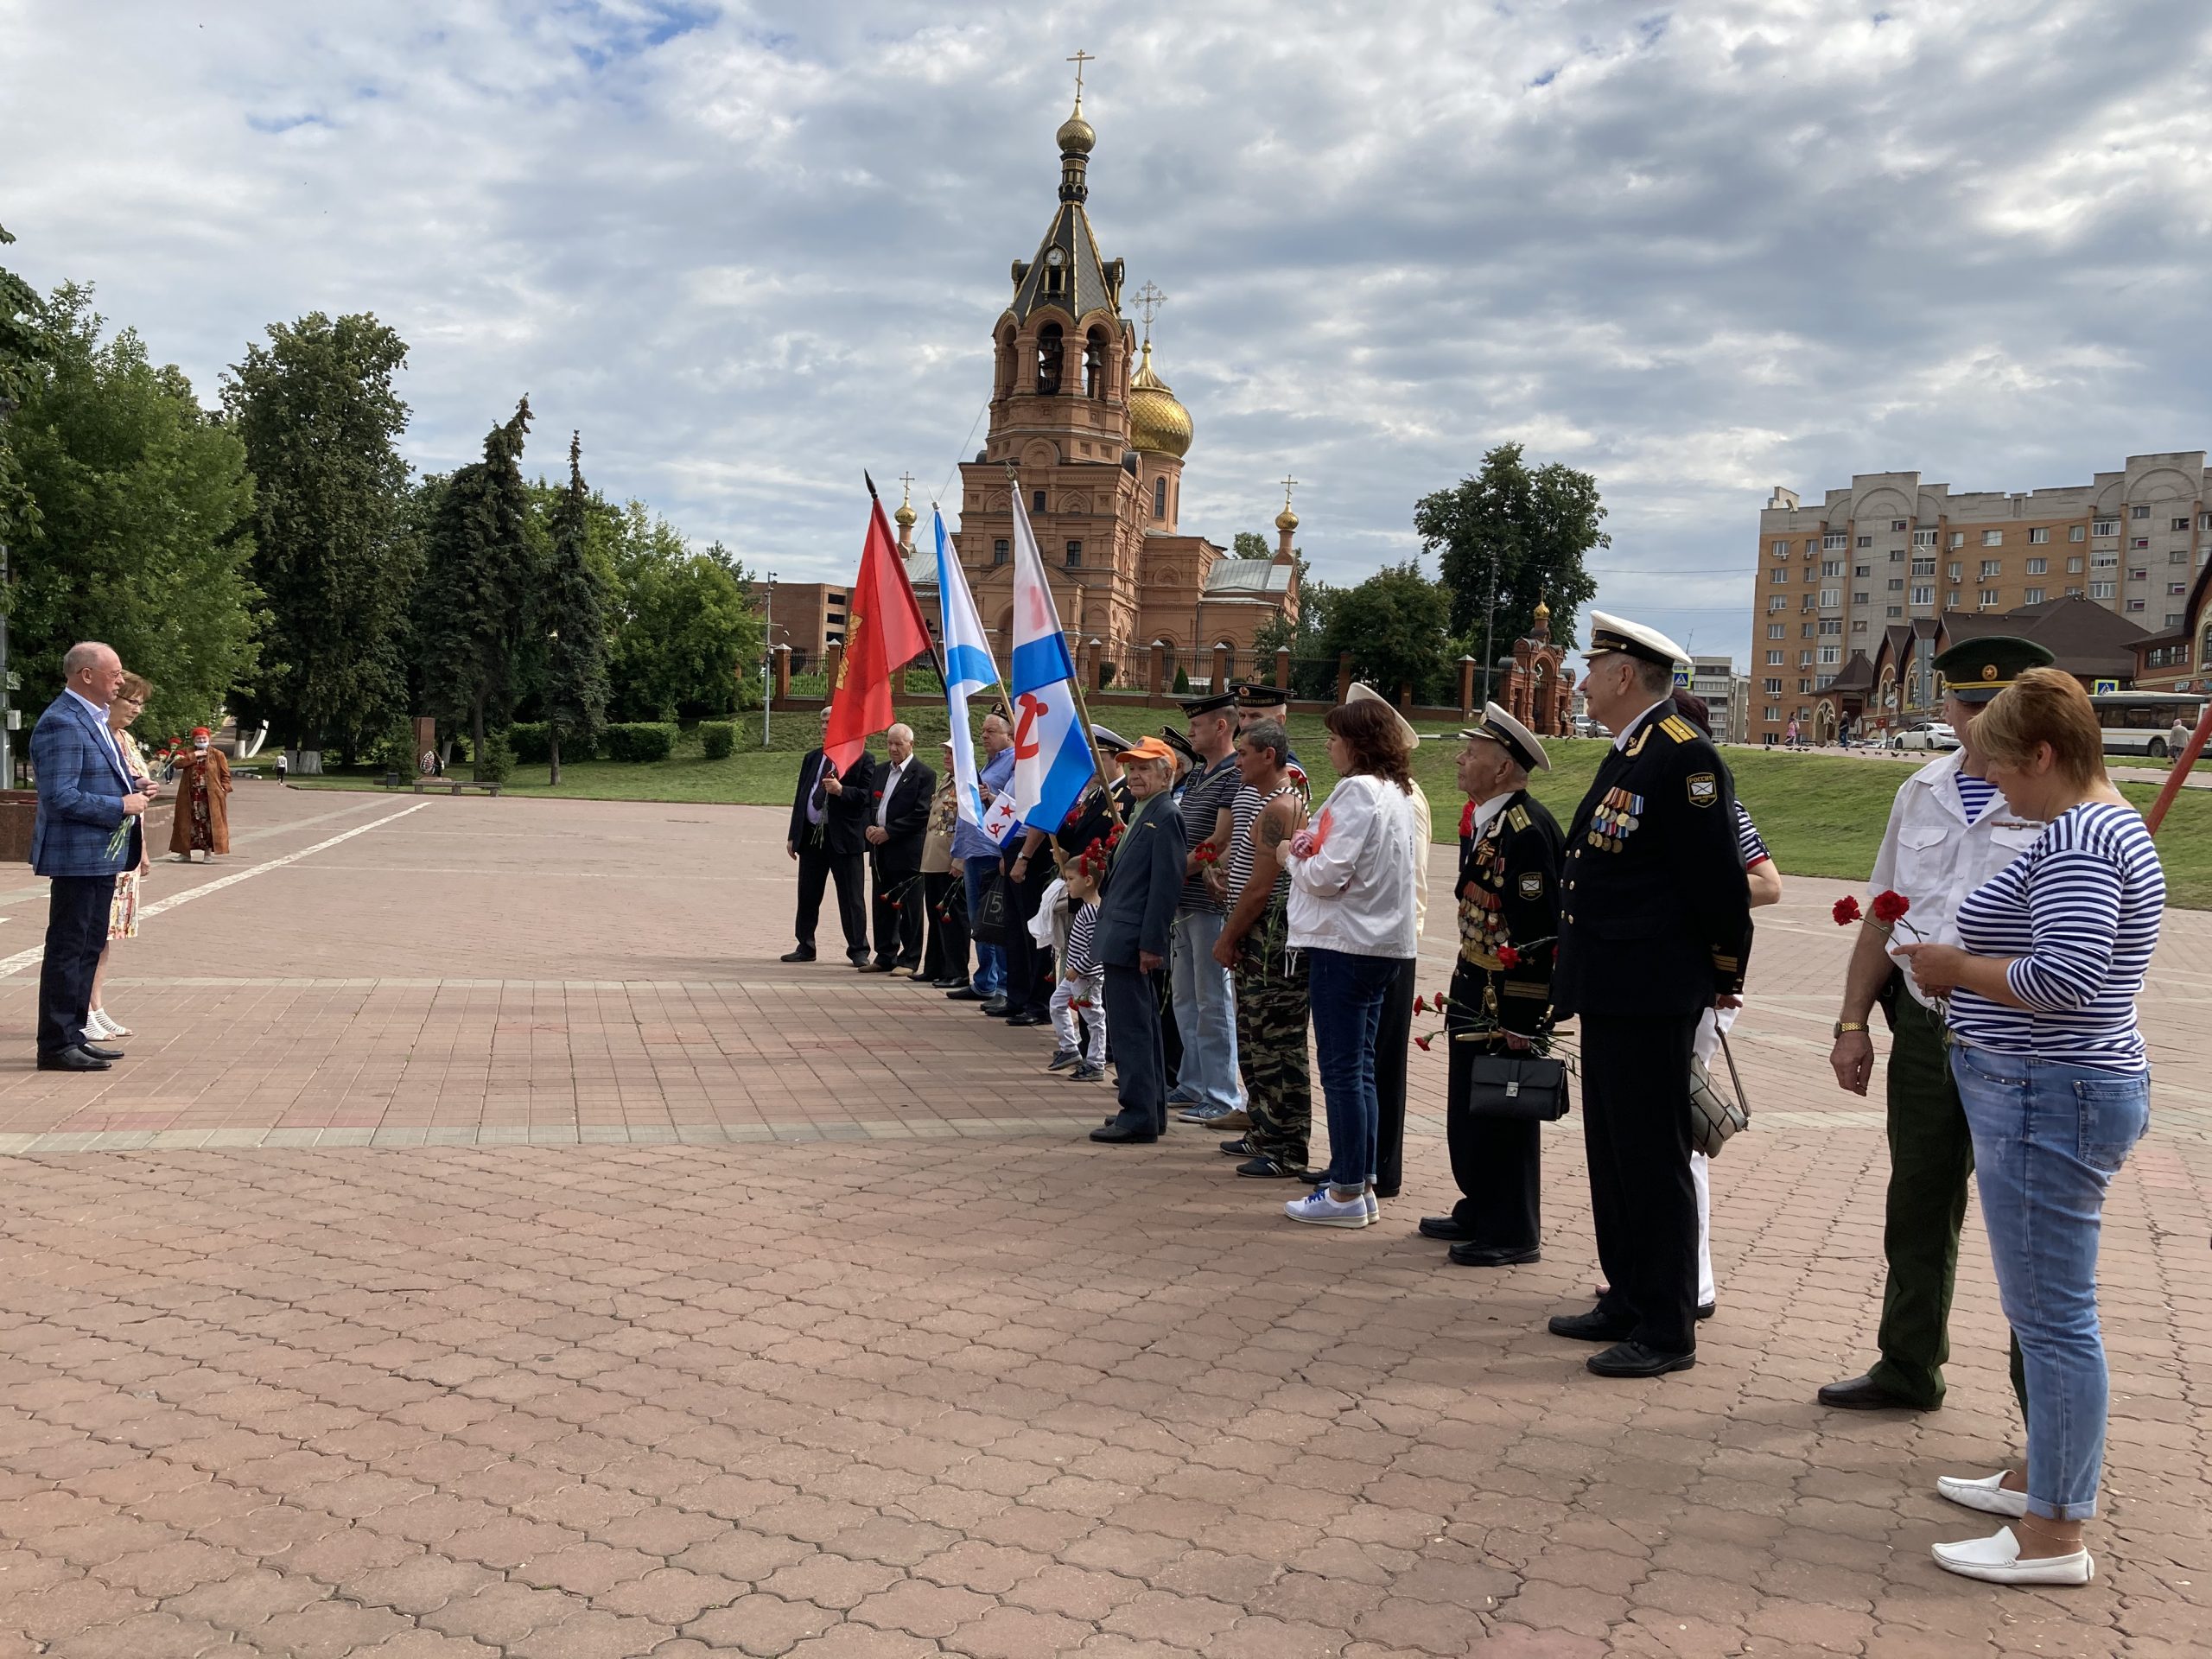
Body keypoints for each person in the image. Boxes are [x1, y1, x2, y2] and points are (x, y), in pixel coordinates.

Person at [1893, 668, 2163, 1586]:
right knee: (2047, 1312)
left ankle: (2054, 1534)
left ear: (2044, 755)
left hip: (2049, 1090)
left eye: (2002, 769)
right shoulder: (2096, 823)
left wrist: (1956, 968)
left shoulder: (2084, 838)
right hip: (2047, 1086)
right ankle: (2042, 1479)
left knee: (2052, 1320)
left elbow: (2066, 979)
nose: (1995, 786)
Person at [1819, 636, 2053, 1414]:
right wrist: (1853, 1022)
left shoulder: (2059, 804)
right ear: (1945, 707)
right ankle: (1908, 1364)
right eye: (1968, 705)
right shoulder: (1920, 789)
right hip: (1925, 1033)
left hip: (2017, 1042)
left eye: (1998, 707)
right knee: (1917, 1199)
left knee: (2027, 1230)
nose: (1980, 723)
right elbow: (1884, 912)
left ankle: (2040, 1418)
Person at [1547, 613, 1751, 1378]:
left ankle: (1667, 1327)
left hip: (1654, 989)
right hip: (1612, 985)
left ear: (1625, 674)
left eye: (1592, 666)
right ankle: (1628, 1293)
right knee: (1613, 1151)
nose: (1582, 680)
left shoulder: (1682, 759)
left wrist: (1722, 976)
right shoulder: (1629, 753)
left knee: (1653, 1157)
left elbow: (1717, 885)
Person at [1417, 702, 1562, 1266]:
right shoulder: (1489, 821)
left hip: (1506, 1000)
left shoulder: (1526, 832)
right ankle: (1480, 1204)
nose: (1461, 759)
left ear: (1502, 769)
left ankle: (1512, 1229)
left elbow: (1539, 936)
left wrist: (1524, 1022)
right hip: (1475, 986)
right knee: (1470, 1106)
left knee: (1505, 1111)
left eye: (1472, 753)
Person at [1275, 696, 1421, 1227]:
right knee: (1359, 1069)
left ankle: (1343, 1191)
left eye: (1335, 739)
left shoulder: (1358, 791)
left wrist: (1292, 853)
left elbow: (1326, 873)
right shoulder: (1398, 792)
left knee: (1342, 1071)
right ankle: (1361, 1182)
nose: (1329, 746)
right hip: (1381, 945)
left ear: (1359, 745)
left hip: (1347, 944)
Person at [29, 642, 152, 1073]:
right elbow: (59, 795)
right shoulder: (63, 721)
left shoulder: (95, 719)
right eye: (114, 674)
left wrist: (133, 785)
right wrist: (121, 806)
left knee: (88, 947)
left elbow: (91, 779)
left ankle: (74, 1035)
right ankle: (57, 1043)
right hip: (76, 853)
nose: (120, 681)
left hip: (101, 853)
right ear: (86, 675)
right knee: (69, 947)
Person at [1213, 719, 1313, 1178]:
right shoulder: (1270, 804)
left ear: (1268, 756)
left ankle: (1287, 1143)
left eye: (1244, 753)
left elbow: (1260, 888)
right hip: (1257, 935)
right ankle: (1264, 1128)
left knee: (1276, 1040)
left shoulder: (1282, 808)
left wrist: (1228, 936)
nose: (1237, 762)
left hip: (1269, 938)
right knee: (1252, 1036)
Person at [1344, 684, 1430, 1200]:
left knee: (1380, 1060)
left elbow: (1409, 876)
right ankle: (1362, 1159)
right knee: (1364, 1059)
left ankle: (1382, 1165)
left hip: (1393, 943)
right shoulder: (1377, 791)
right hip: (1377, 940)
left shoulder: (1406, 796)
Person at [1090, 737, 1188, 1145]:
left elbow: (1166, 887)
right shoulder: (1144, 810)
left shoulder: (1165, 814)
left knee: (1133, 1029)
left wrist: (1152, 944)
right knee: (1136, 1026)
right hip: (1122, 934)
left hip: (1133, 940)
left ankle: (1139, 1114)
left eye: (1145, 768)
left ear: (1167, 775)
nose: (1134, 775)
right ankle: (1147, 1111)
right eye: (1131, 768)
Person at [1167, 691, 1243, 1126]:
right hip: (1184, 899)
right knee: (1186, 997)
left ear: (1221, 727)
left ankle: (1221, 1091)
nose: (1191, 732)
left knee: (1213, 1000)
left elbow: (1219, 840)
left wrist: (1176, 870)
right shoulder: (1197, 777)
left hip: (1208, 899)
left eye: (1197, 725)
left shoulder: (1233, 774)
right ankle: (1194, 1082)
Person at [88, 673, 157, 1043]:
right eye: (129, 699)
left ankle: (96, 1005)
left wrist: (144, 787)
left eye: (140, 703)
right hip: (101, 849)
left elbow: (131, 791)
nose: (135, 708)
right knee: (92, 933)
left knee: (108, 932)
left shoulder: (125, 740)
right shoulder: (96, 735)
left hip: (125, 845)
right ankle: (84, 1008)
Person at [785, 706, 874, 965]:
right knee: (808, 893)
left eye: (830, 722)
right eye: (823, 722)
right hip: (813, 837)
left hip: (844, 839)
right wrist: (794, 834)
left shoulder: (861, 759)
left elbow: (866, 797)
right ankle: (805, 945)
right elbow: (802, 796)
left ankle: (858, 949)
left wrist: (841, 791)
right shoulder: (813, 758)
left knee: (851, 897)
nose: (825, 726)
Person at [949, 709, 1014, 1005]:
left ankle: (1003, 985)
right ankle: (984, 980)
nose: (984, 736)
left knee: (995, 921)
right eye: (983, 731)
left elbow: (1015, 804)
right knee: (979, 922)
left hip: (992, 851)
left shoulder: (1014, 762)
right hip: (974, 850)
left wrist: (992, 797)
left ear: (1008, 734)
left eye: (991, 731)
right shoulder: (988, 765)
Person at [861, 724, 933, 974]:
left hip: (907, 851)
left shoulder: (923, 774)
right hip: (880, 850)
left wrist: (890, 831)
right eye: (890, 743)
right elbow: (870, 804)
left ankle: (910, 958)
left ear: (911, 744)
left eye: (898, 744)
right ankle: (885, 955)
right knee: (882, 904)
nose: (893, 748)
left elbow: (921, 813)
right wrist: (869, 828)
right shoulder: (880, 771)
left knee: (910, 907)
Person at [1046, 857, 1108, 1084]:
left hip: (1086, 976)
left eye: (1071, 879)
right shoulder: (1085, 908)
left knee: (1094, 1018)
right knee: (1056, 1003)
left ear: (1089, 880)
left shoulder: (1093, 911)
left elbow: (1095, 948)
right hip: (1074, 974)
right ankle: (1070, 1048)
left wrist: (1078, 968)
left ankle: (1096, 1062)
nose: (1067, 885)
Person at [918, 740, 970, 990]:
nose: (946, 756)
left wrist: (960, 860)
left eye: (952, 752)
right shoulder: (947, 780)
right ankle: (935, 967)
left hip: (951, 860)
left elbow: (967, 824)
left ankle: (957, 971)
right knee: (936, 915)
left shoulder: (965, 783)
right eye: (946, 752)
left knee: (953, 919)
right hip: (934, 858)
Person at [168, 726, 232, 861]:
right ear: (194, 739)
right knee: (186, 823)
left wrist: (224, 790)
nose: (201, 740)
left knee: (208, 823)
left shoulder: (217, 754)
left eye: (204, 738)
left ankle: (207, 854)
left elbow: (226, 776)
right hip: (189, 795)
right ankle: (185, 854)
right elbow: (176, 764)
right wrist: (193, 756)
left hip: (210, 796)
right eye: (198, 738)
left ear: (209, 738)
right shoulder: (187, 752)